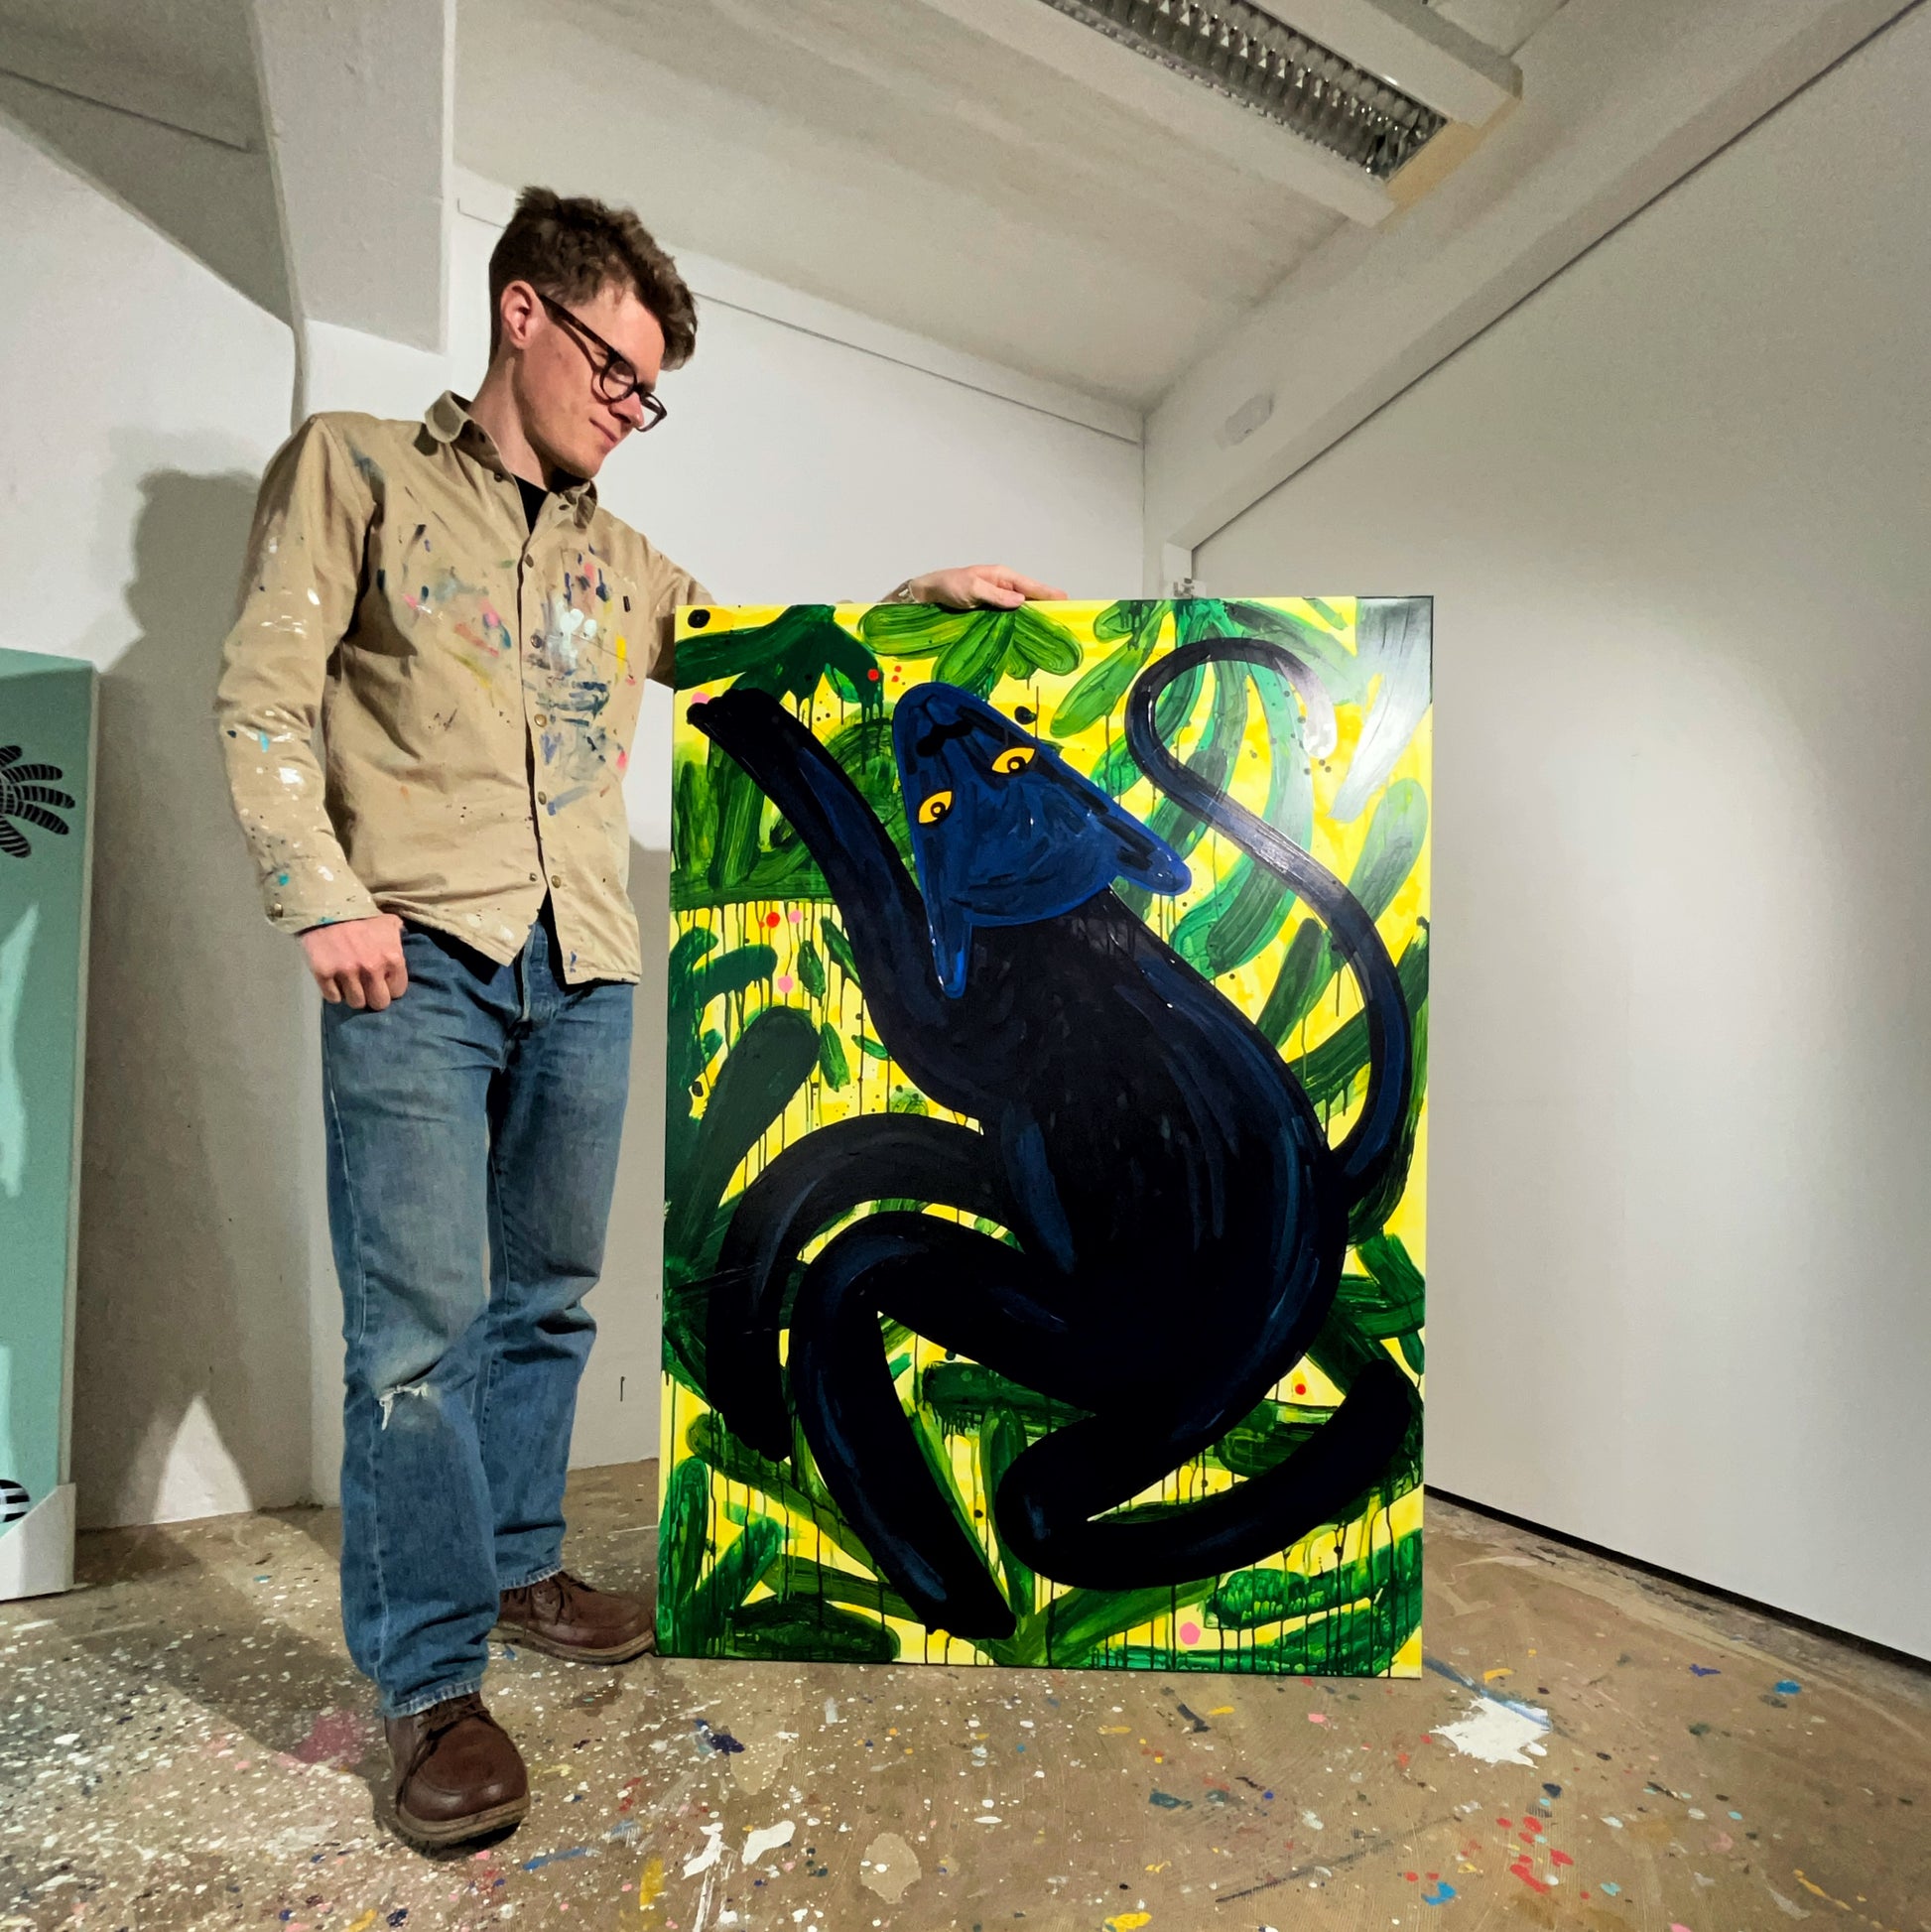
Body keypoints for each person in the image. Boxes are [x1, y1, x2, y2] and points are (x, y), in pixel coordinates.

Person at [214, 186, 1065, 1849]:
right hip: (417, 953)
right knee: (415, 1338)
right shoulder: (356, 468)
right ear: (522, 311)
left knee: (544, 1304)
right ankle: (429, 1687)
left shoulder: (625, 561)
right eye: (615, 369)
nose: (628, 407)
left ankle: (519, 1566)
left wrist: (907, 600)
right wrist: (319, 892)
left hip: (584, 964)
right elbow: (263, 691)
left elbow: (754, 661)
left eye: (649, 391)